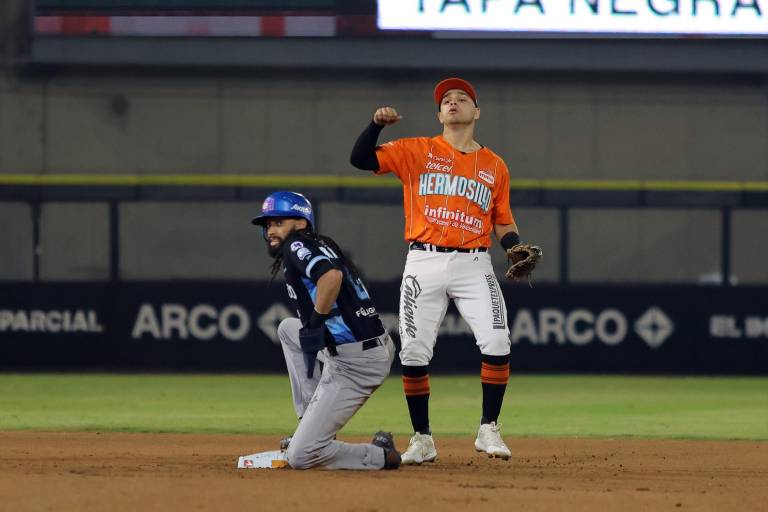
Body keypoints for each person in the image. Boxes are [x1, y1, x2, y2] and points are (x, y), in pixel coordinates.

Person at [350, 77, 526, 464]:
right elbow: (361, 159)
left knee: (497, 340)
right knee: (413, 349)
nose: (453, 102)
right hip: (424, 259)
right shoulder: (417, 150)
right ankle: (422, 438)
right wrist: (375, 125)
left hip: (474, 262)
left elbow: (503, 221)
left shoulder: (494, 165)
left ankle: (488, 429)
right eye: (446, 99)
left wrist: (514, 248)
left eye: (462, 98)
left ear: (476, 112)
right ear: (438, 113)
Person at [252, 191, 400, 470]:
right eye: (267, 224)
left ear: (301, 223)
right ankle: (310, 424)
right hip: (360, 346)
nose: (270, 229)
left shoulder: (296, 245)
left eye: (278, 222)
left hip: (356, 362)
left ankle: (380, 455)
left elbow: (331, 276)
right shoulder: (315, 243)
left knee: (301, 456)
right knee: (288, 329)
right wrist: (312, 327)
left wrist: (317, 321)